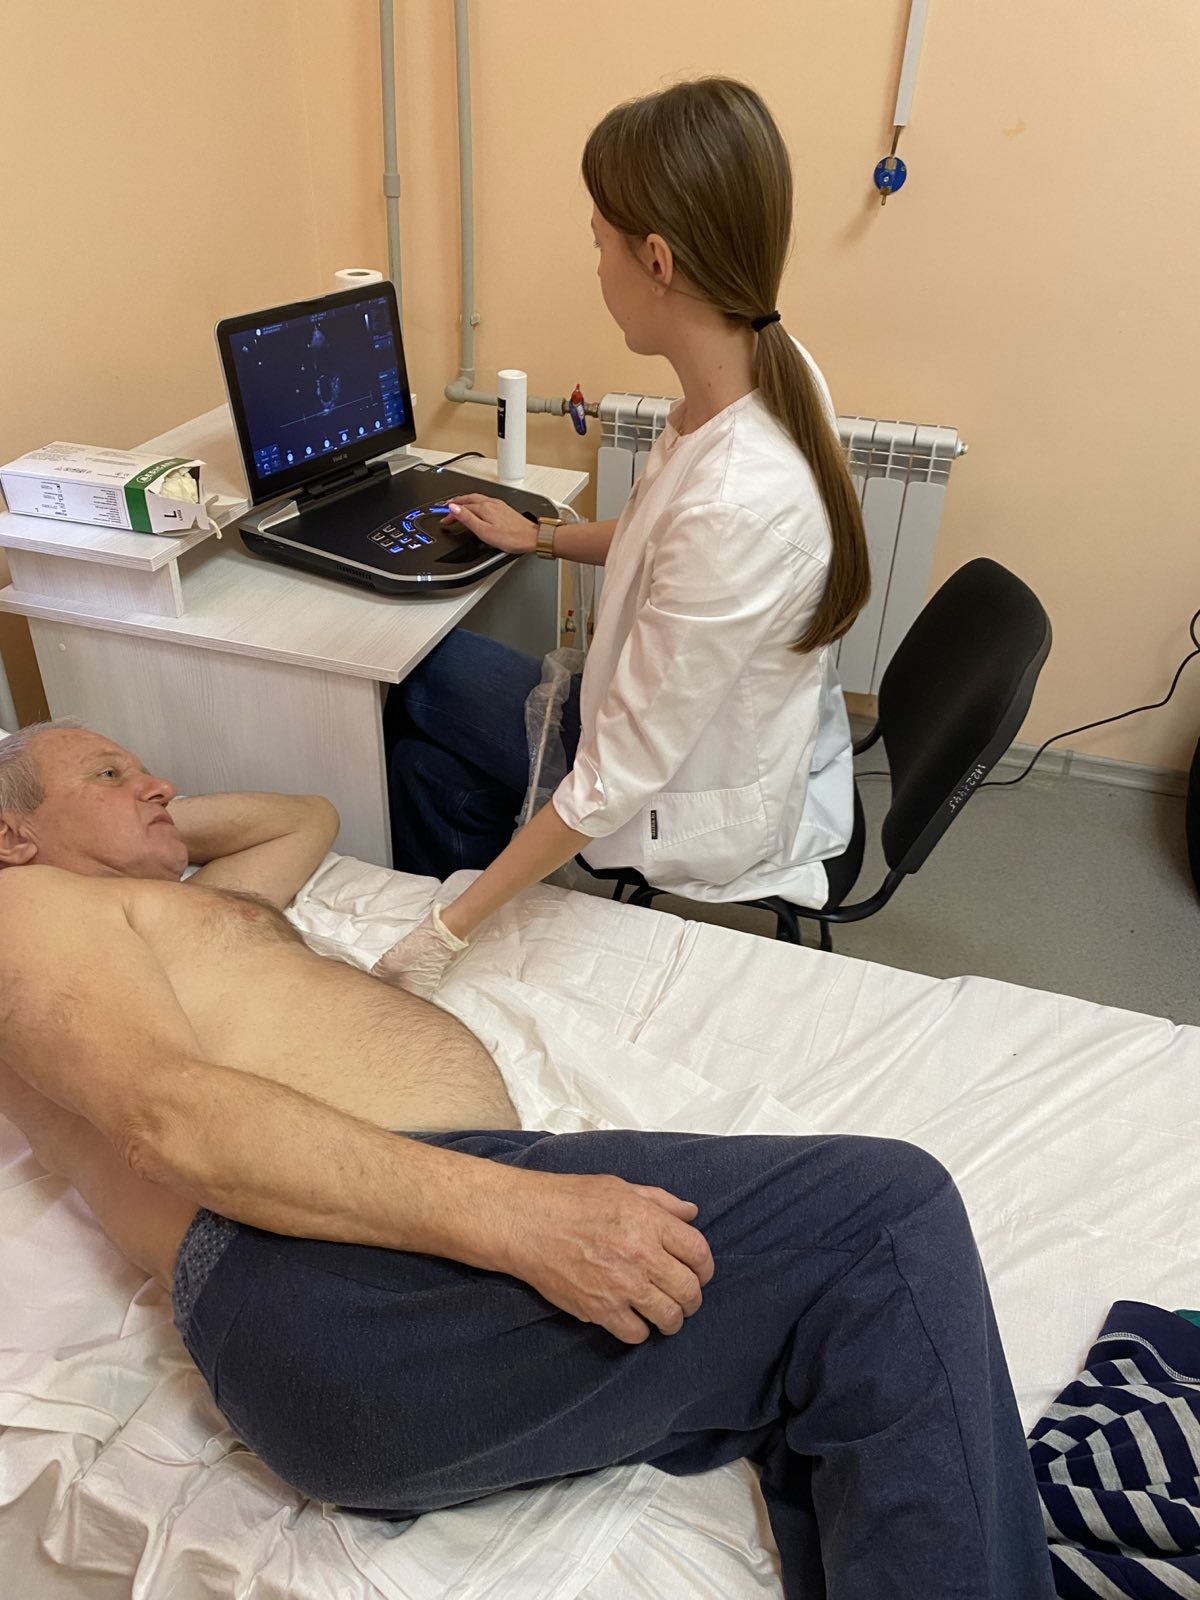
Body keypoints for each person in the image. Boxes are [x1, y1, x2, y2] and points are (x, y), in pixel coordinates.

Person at [0, 722, 1054, 1596]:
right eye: (110, 772)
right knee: (883, 1215)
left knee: (820, 1350)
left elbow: (302, 818)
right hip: (337, 1270)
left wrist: (139, 815)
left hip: (392, 1277)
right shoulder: (28, 908)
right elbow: (172, 1116)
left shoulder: (180, 908)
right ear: (13, 834)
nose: (158, 783)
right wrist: (514, 1213)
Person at [385, 77, 871, 997]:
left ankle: (466, 939)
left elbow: (616, 778)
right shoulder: (758, 367)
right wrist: (542, 537)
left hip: (685, 796)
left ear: (656, 260)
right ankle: (476, 909)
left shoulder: (738, 498)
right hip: (684, 722)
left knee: (412, 683)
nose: (595, 266)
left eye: (598, 241)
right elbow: (661, 538)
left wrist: (443, 934)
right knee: (422, 764)